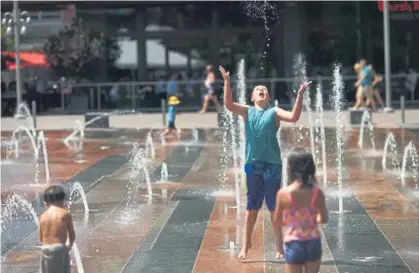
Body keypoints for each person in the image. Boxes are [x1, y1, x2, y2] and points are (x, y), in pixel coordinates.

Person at [219, 66, 312, 260]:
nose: (262, 91)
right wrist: (227, 82)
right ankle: (246, 245)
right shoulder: (247, 111)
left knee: (273, 208)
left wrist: (300, 95)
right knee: (252, 207)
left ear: (268, 97)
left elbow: (294, 117)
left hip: (272, 166)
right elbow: (228, 105)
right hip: (252, 165)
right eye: (258, 90)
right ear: (252, 97)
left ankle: (279, 247)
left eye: (265, 90)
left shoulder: (274, 111)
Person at [273, 148, 328, 273]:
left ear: (290, 168)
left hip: (293, 242)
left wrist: (291, 222)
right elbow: (323, 219)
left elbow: (277, 220)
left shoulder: (283, 194)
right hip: (313, 241)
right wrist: (312, 219)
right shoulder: (317, 193)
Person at [39, 185, 75, 273]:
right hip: (59, 248)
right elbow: (72, 234)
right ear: (62, 201)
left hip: (45, 248)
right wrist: (69, 245)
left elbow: (41, 238)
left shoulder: (43, 216)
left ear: (46, 202)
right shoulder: (65, 213)